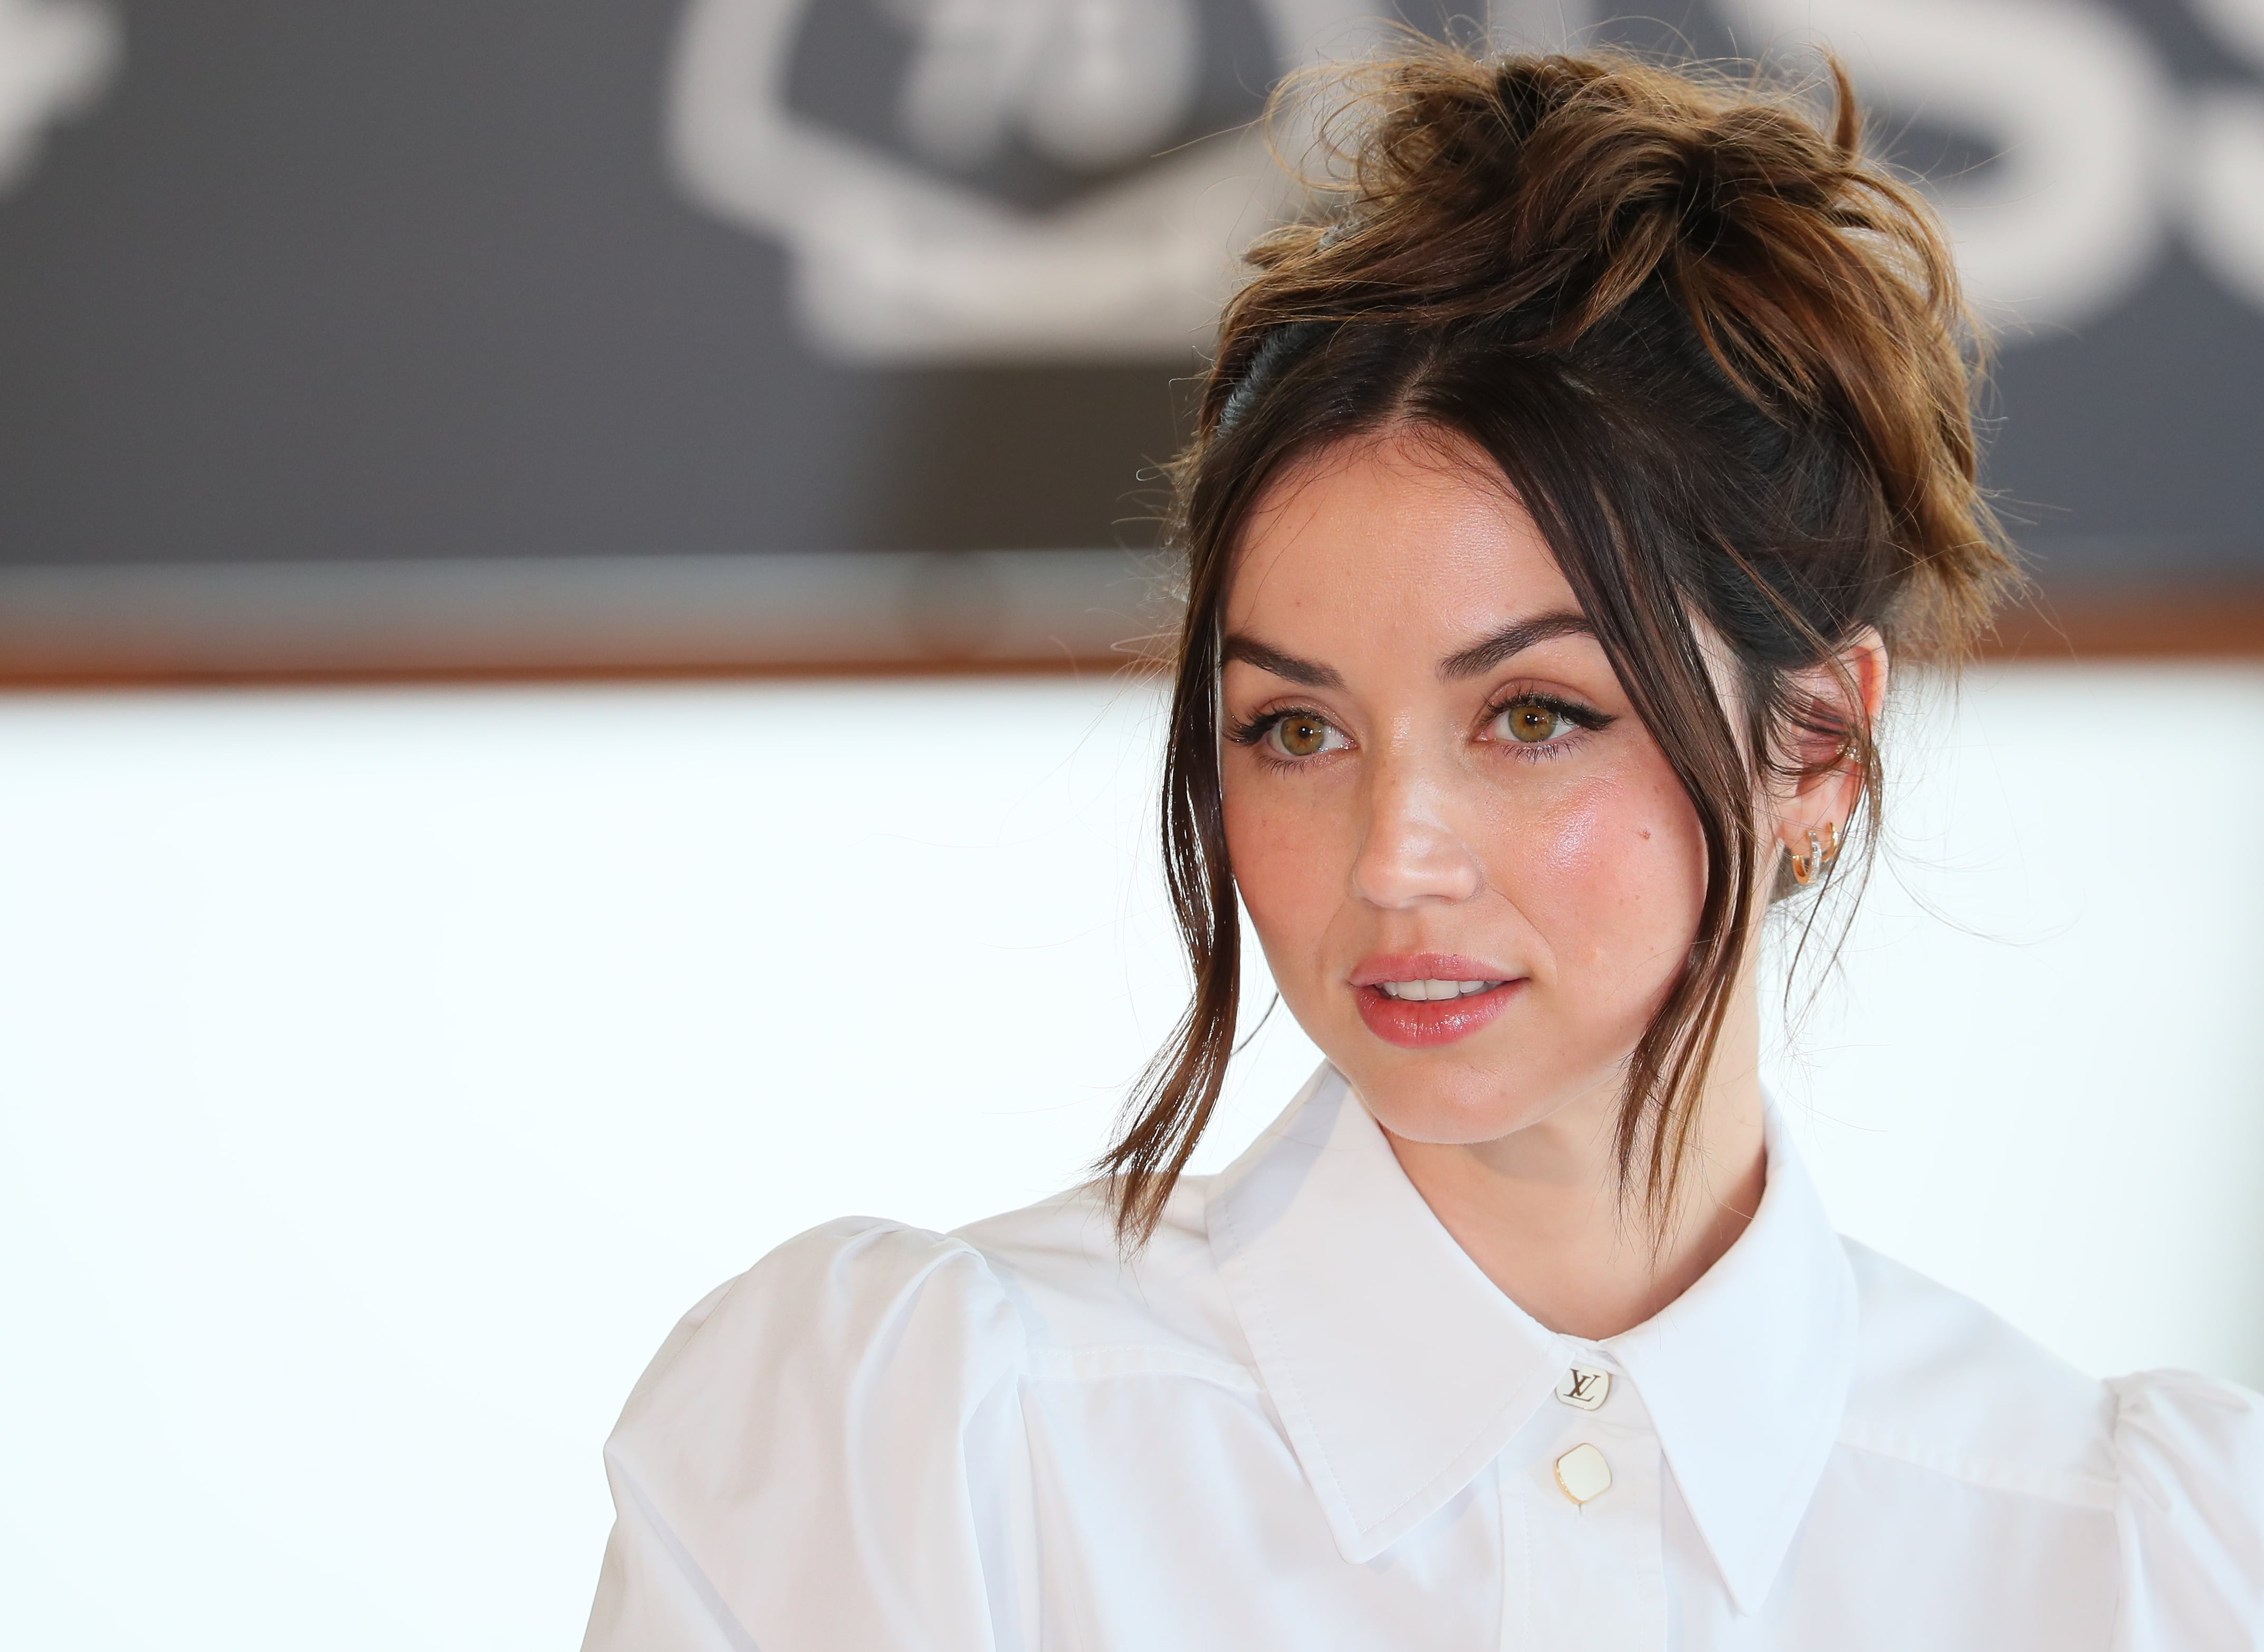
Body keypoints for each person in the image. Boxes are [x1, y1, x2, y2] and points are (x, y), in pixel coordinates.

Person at [579, 43, 2263, 1649]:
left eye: (1532, 716)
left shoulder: (2124, 1560)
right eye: (1295, 730)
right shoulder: (938, 1448)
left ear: (1813, 742)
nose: (1395, 857)